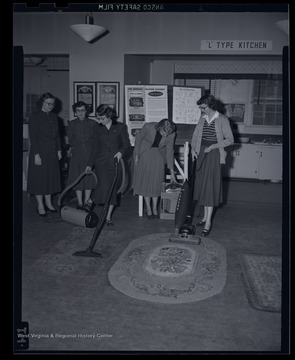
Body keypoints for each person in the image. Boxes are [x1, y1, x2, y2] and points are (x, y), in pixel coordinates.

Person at [191, 94, 234, 236]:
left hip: (214, 154)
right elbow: (196, 136)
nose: (201, 110)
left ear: (211, 106)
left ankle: (208, 222)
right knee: (202, 185)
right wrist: (193, 149)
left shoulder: (222, 119)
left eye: (203, 107)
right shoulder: (202, 118)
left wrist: (214, 146)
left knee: (210, 187)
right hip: (202, 152)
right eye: (200, 108)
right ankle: (204, 217)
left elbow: (230, 140)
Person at [84, 104, 131, 225]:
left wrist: (121, 152)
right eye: (98, 119)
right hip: (101, 162)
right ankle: (92, 200)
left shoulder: (120, 127)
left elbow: (126, 144)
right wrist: (90, 164)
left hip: (115, 162)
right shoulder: (97, 128)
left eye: (102, 118)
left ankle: (108, 216)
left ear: (109, 116)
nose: (100, 121)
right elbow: (95, 148)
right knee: (104, 185)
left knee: (112, 189)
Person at [132, 119, 177, 219]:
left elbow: (169, 152)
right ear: (159, 128)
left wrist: (172, 172)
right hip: (144, 154)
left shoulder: (171, 134)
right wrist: (136, 155)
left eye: (168, 134)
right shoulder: (148, 127)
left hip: (159, 156)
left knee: (157, 183)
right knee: (146, 183)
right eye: (164, 133)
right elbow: (138, 140)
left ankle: (155, 209)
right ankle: (148, 208)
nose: (166, 135)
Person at [27, 92, 62, 216]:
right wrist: (36, 155)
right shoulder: (35, 117)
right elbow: (33, 138)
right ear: (42, 103)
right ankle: (40, 205)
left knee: (50, 178)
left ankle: (48, 203)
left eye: (53, 104)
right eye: (49, 104)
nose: (51, 106)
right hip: (40, 153)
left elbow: (57, 135)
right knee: (40, 180)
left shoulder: (54, 117)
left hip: (52, 152)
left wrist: (59, 150)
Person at [66, 101, 97, 209]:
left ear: (86, 111)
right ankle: (79, 202)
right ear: (75, 112)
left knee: (88, 177)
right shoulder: (72, 124)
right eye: (78, 111)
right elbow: (71, 140)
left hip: (89, 153)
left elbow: (96, 141)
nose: (80, 113)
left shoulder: (93, 123)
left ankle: (86, 201)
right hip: (77, 154)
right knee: (77, 177)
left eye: (82, 110)